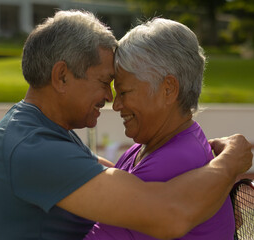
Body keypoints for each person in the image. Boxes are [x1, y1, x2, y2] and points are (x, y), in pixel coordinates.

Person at [0, 10, 252, 240]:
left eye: (121, 89)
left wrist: (210, 194)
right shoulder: (33, 147)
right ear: (61, 77)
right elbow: (169, 213)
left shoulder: (38, 132)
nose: (111, 99)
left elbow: (120, 179)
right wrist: (229, 163)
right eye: (103, 82)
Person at [85, 17, 236, 240]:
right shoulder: (158, 145)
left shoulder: (173, 161)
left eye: (124, 93)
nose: (116, 105)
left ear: (168, 89)